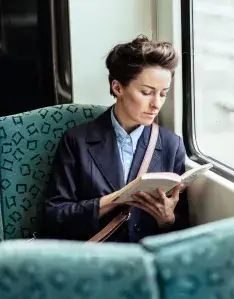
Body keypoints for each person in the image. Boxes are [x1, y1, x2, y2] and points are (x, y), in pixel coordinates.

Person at [42, 35, 190, 242]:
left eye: (163, 94)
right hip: (92, 260)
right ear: (117, 88)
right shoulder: (76, 141)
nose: (157, 104)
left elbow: (183, 227)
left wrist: (167, 219)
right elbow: (55, 216)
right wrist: (115, 199)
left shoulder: (171, 144)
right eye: (147, 92)